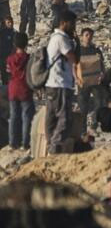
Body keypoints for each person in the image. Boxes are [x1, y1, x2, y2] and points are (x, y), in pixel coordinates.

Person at [44, 10, 80, 154]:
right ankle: (55, 148)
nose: (74, 27)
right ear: (64, 23)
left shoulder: (55, 37)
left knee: (52, 118)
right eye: (72, 24)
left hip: (54, 84)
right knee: (64, 120)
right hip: (60, 85)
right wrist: (76, 43)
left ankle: (51, 146)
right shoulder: (61, 38)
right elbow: (74, 58)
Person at [5, 32, 33, 150]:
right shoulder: (28, 58)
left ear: (14, 44)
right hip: (25, 89)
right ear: (26, 43)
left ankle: (12, 142)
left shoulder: (9, 59)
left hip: (12, 89)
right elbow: (31, 74)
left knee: (13, 116)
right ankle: (25, 143)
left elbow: (8, 73)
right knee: (26, 116)